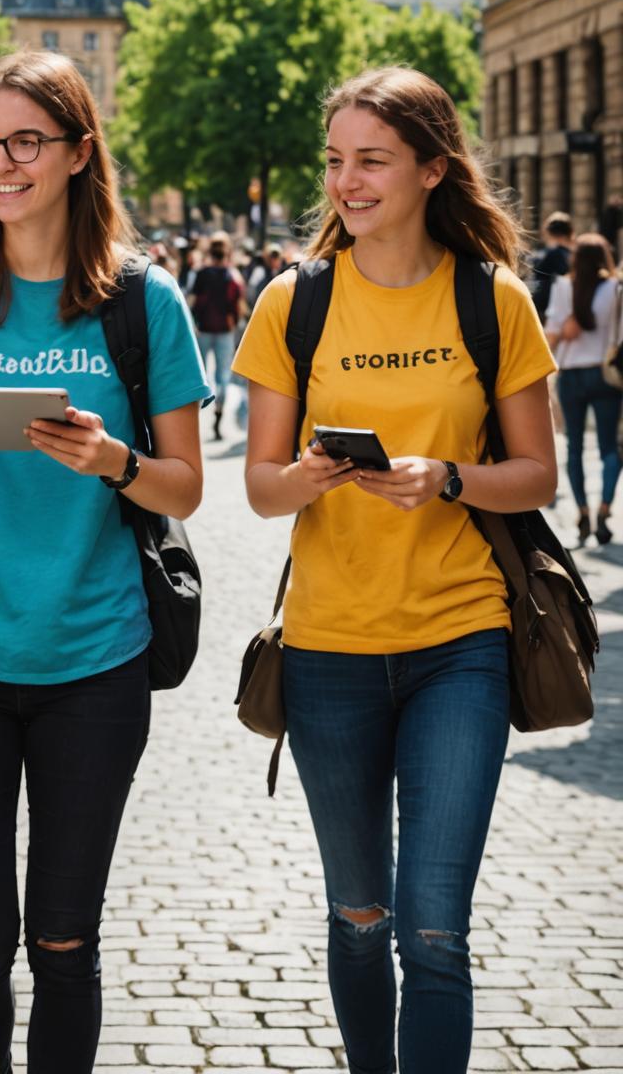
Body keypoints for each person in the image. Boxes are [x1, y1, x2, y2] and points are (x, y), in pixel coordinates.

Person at [234, 65, 557, 1073]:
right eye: (336, 162)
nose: (348, 182)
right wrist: (315, 474)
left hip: (461, 642)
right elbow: (259, 490)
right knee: (361, 916)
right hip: (329, 647)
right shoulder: (296, 303)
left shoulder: (490, 298)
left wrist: (450, 478)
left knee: (433, 929)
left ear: (430, 168)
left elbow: (538, 475)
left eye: (372, 160)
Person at [0, 50, 208, 1072]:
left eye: (27, 140)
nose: (2, 161)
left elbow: (185, 487)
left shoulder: (141, 302)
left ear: (79, 151)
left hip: (96, 659)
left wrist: (115, 461)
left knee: (63, 944)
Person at [544, 232, 620, 546]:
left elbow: (549, 335)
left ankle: (582, 512)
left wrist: (564, 332)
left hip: (572, 375)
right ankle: (605, 508)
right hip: (605, 375)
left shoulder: (563, 287)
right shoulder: (616, 288)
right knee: (610, 448)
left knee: (574, 448)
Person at [189, 233, 245, 439]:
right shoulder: (233, 275)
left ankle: (192, 419)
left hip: (203, 329)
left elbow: (192, 302)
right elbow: (238, 304)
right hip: (225, 331)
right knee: (223, 376)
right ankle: (218, 415)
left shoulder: (201, 273)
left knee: (200, 374)